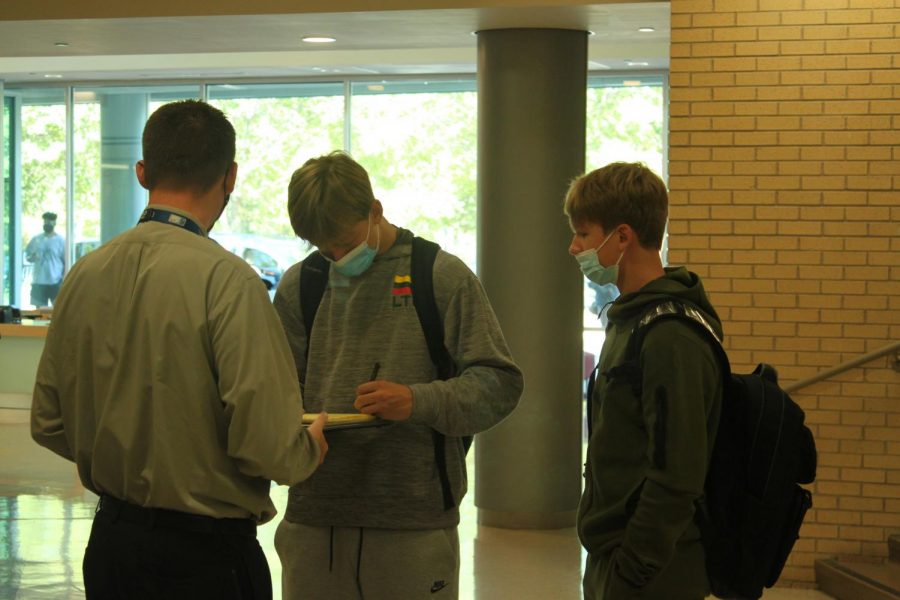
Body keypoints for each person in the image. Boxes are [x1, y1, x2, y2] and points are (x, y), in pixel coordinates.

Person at [31, 99, 328, 600]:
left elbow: (48, 420)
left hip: (111, 546)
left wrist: (122, 450)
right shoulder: (229, 280)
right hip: (204, 556)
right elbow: (265, 443)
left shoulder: (84, 274)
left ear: (143, 172)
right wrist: (307, 450)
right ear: (230, 177)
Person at [273, 151, 523, 600]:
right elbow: (276, 391)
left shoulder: (439, 276)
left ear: (375, 211)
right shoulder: (301, 284)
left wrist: (417, 400)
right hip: (314, 518)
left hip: (414, 521)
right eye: (322, 247)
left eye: (345, 243)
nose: (336, 255)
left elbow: (500, 384)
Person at [565, 162, 723, 600]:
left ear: (621, 237)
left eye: (583, 233)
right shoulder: (629, 321)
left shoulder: (671, 335)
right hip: (615, 559)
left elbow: (677, 476)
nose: (572, 246)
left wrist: (629, 574)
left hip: (652, 574)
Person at [25, 211, 66, 307]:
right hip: (38, 281)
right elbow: (28, 257)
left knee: (57, 310)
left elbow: (65, 261)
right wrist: (32, 258)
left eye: (49, 222)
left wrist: (63, 278)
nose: (47, 224)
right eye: (45, 222)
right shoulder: (36, 239)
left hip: (55, 281)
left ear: (54, 223)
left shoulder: (61, 241)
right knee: (38, 312)